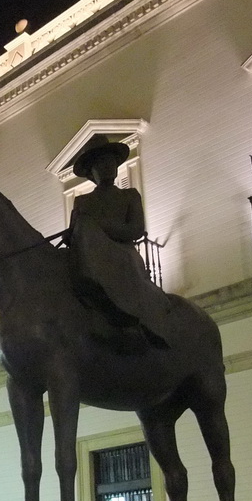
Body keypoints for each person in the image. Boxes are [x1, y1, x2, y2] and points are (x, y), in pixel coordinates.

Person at [66, 135, 171, 347]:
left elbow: (136, 229)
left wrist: (100, 227)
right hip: (91, 256)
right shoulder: (82, 201)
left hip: (121, 253)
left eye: (111, 162)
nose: (108, 166)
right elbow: (74, 235)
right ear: (91, 172)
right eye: (101, 163)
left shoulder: (130, 196)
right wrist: (70, 234)